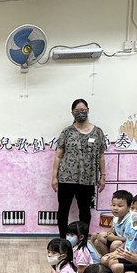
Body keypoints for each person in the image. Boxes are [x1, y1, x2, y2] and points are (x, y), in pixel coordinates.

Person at [51, 98, 107, 238]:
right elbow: (58, 155)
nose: (80, 113)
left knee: (85, 211)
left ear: (88, 110)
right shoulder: (67, 132)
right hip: (66, 178)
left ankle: (83, 240)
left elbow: (101, 156)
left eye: (83, 110)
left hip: (88, 179)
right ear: (72, 113)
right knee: (63, 210)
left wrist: (103, 176)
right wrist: (54, 177)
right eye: (77, 110)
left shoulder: (98, 132)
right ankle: (63, 239)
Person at [91, 189, 133, 256]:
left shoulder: (130, 220)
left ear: (129, 207)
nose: (115, 208)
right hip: (117, 239)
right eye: (113, 205)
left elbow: (128, 239)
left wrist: (113, 238)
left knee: (115, 244)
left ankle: (111, 259)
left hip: (126, 244)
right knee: (98, 239)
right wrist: (107, 234)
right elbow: (112, 230)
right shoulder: (116, 217)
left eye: (120, 206)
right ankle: (105, 257)